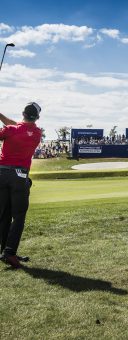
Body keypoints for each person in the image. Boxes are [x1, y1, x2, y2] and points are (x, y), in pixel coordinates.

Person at [0, 102, 42, 269]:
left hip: (1, 173)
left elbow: (12, 126)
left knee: (4, 214)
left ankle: (6, 252)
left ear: (22, 114)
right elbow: (17, 125)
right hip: (19, 176)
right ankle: (9, 252)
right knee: (18, 216)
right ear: (37, 117)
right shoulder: (37, 133)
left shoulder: (11, 130)